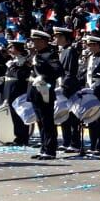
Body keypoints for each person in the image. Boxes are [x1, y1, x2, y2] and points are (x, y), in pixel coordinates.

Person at [28, 29, 62, 160]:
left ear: (43, 41)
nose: (33, 43)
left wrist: (44, 77)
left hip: (45, 91)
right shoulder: (37, 55)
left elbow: (58, 70)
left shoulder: (50, 55)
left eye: (35, 41)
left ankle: (50, 149)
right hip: (36, 92)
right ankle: (43, 148)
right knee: (40, 121)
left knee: (47, 121)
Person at [53, 27, 83, 154]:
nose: (56, 39)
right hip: (62, 87)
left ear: (65, 38)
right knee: (63, 116)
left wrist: (64, 86)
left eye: (58, 37)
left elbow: (70, 72)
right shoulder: (63, 51)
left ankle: (74, 143)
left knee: (72, 117)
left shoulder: (70, 51)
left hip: (69, 88)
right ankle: (66, 142)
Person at [2, 39, 31, 146]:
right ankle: (18, 137)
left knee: (20, 114)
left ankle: (23, 137)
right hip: (10, 91)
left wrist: (13, 67)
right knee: (14, 115)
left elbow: (21, 76)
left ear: (18, 49)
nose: (9, 49)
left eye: (11, 47)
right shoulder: (13, 60)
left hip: (18, 91)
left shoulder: (23, 61)